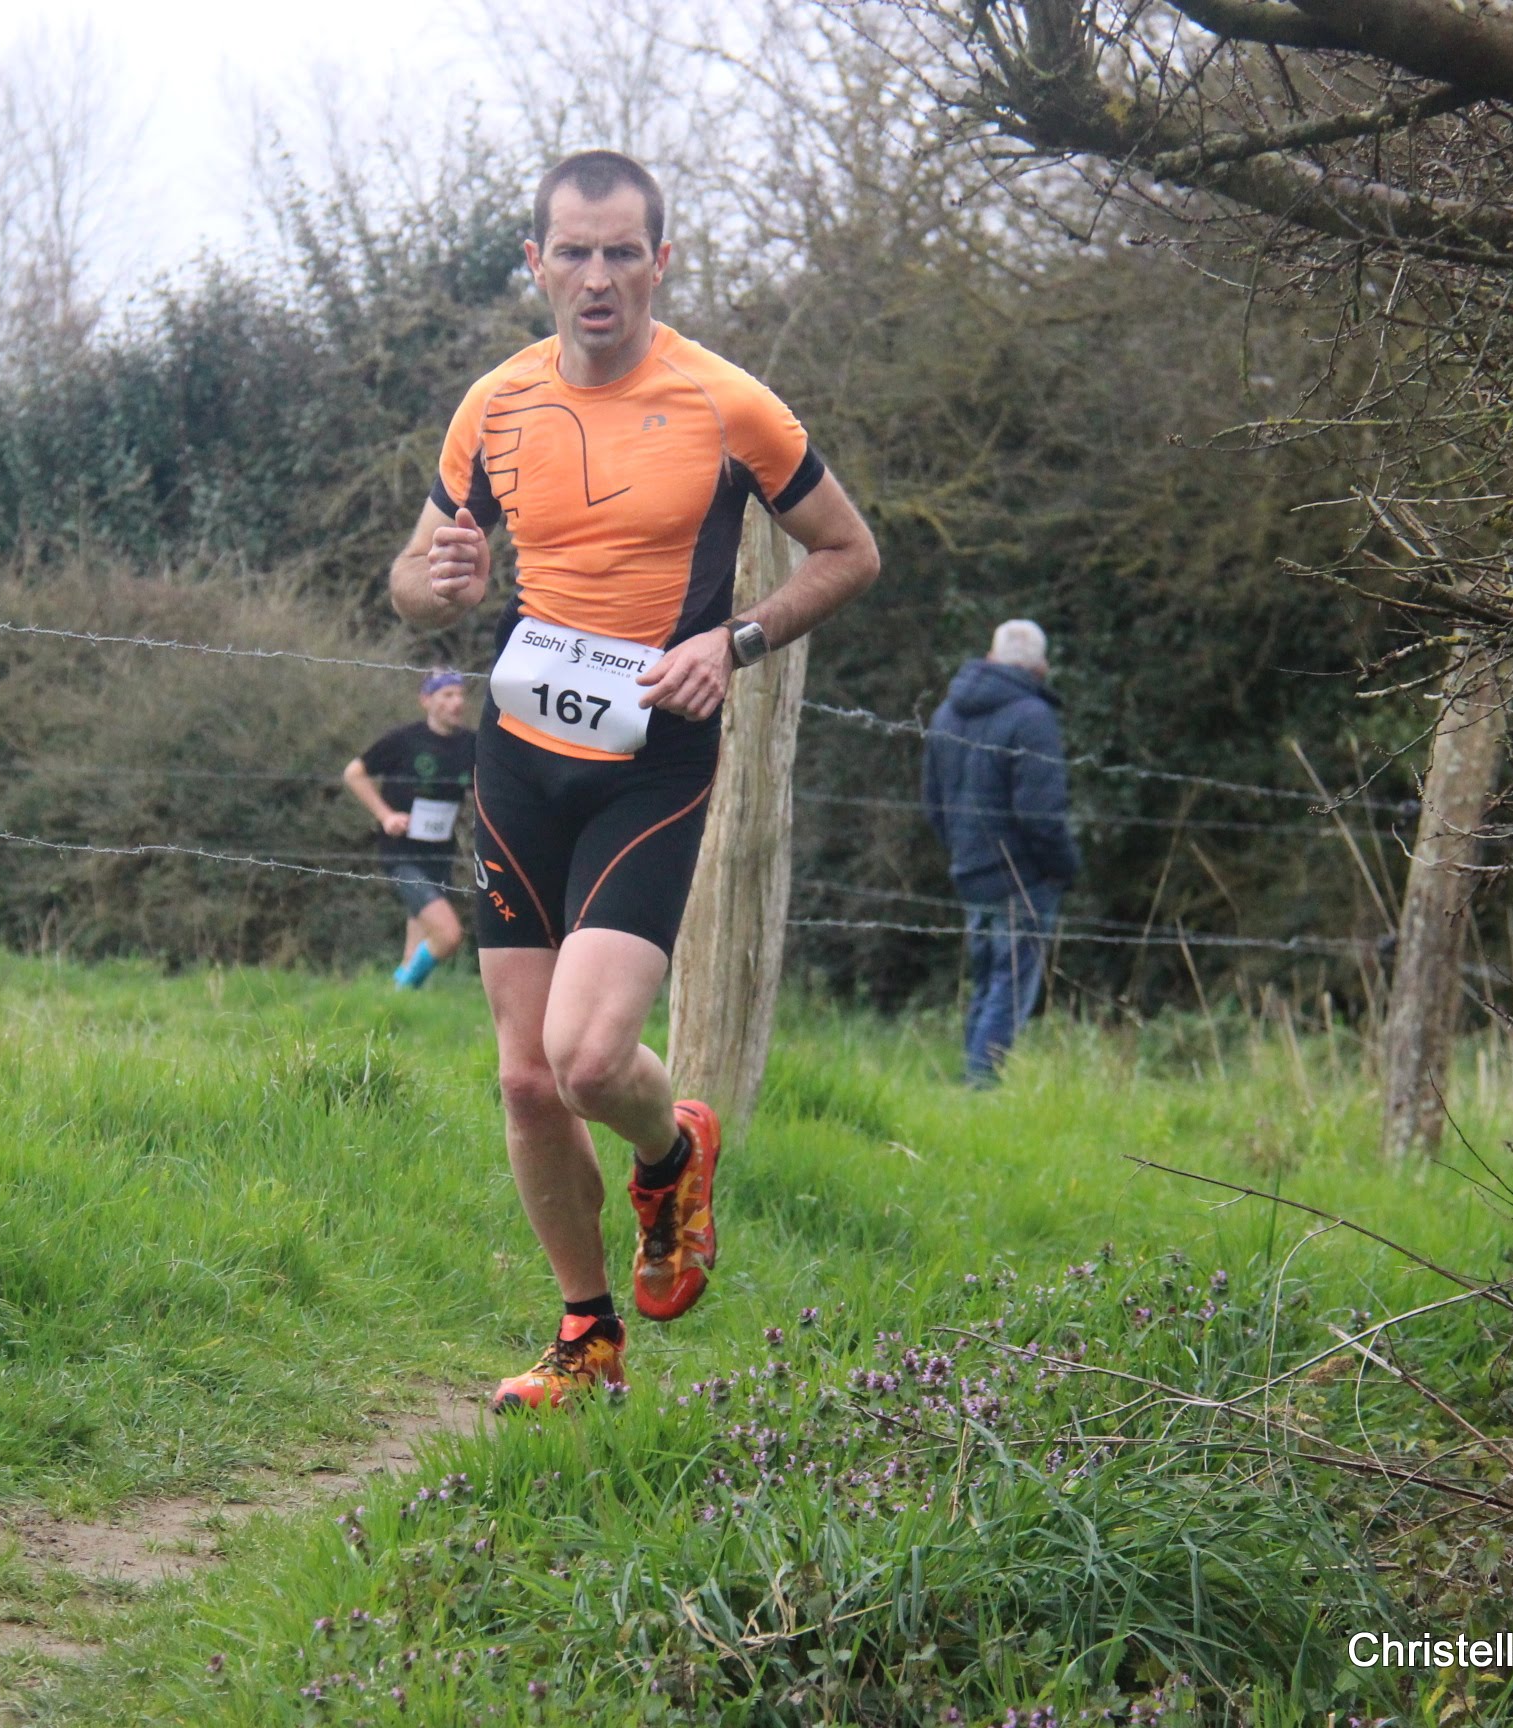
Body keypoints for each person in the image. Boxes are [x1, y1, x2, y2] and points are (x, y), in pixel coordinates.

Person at [388, 150, 881, 1412]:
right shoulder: (496, 402)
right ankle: (586, 1335)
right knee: (524, 1077)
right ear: (536, 261)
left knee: (592, 1058)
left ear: (662, 261)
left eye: (621, 252)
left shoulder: (728, 403)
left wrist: (736, 641)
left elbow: (849, 551)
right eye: (574, 251)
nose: (597, 276)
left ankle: (673, 1150)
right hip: (520, 754)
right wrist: (435, 583)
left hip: (650, 759)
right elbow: (414, 577)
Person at [921, 619, 1081, 1087]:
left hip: (969, 869)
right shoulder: (1033, 718)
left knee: (988, 979)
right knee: (1009, 987)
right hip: (1022, 876)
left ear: (991, 657)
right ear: (1040, 667)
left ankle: (970, 1081)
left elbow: (933, 803)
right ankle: (980, 1085)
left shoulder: (946, 713)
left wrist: (960, 852)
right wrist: (1064, 869)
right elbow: (1041, 815)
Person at [343, 670, 476, 988]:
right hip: (402, 853)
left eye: (460, 694)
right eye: (447, 695)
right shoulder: (404, 740)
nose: (457, 702)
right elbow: (354, 773)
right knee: (448, 934)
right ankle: (402, 987)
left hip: (440, 853)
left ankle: (396, 1001)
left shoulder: (473, 744)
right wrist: (385, 815)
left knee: (416, 945)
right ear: (426, 700)